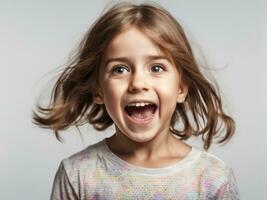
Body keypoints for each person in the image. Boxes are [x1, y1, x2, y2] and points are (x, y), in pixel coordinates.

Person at [32, 1, 240, 199]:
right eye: (119, 69)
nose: (138, 83)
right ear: (98, 91)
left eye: (156, 68)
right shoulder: (77, 175)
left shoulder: (212, 179)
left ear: (181, 88)